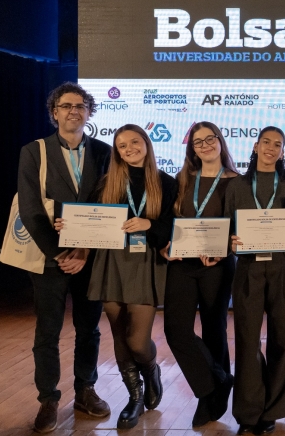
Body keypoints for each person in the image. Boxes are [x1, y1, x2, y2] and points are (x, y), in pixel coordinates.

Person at [17, 82, 112, 432]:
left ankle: (86, 390)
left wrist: (85, 250)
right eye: (66, 105)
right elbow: (29, 209)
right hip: (49, 258)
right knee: (48, 331)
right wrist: (61, 254)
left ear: (89, 112)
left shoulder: (105, 152)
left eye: (81, 105)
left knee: (89, 329)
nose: (74, 110)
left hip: (91, 256)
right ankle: (48, 399)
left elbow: (109, 206)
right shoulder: (34, 152)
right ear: (53, 111)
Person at [79, 124, 177, 429]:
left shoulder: (166, 182)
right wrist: (71, 227)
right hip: (111, 262)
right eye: (122, 145)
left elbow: (172, 227)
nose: (129, 148)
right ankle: (134, 398)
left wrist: (149, 226)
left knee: (137, 340)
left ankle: (151, 370)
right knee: (119, 333)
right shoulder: (106, 182)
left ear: (146, 144)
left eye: (135, 142)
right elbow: (92, 223)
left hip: (146, 262)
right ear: (117, 152)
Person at [225, 126, 285, 435]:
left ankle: (272, 409)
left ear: (283, 152)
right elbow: (227, 228)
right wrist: (230, 241)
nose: (272, 148)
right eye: (267, 142)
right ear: (256, 146)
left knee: (283, 340)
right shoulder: (236, 186)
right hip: (247, 268)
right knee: (247, 340)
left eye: (278, 145)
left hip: (284, 268)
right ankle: (248, 413)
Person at [163, 122, 239, 428]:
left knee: (214, 329)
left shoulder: (238, 181)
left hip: (218, 263)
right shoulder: (182, 179)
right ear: (191, 148)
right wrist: (164, 245)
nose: (205, 144)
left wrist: (223, 249)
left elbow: (241, 226)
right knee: (175, 329)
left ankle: (210, 399)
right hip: (182, 262)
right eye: (198, 141)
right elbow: (168, 219)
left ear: (221, 142)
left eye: (210, 139)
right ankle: (217, 381)